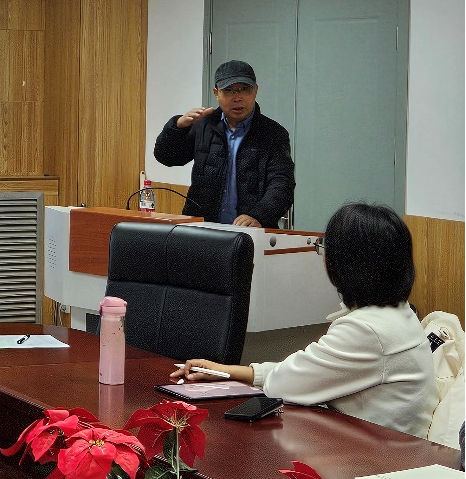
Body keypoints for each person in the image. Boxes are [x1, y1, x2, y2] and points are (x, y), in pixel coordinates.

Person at [171, 202, 437, 437]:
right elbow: (304, 371)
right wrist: (225, 371)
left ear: (348, 263)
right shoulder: (399, 314)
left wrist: (231, 373)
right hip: (387, 448)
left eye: (325, 248)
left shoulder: (368, 330)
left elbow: (283, 385)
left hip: (376, 460)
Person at [153, 59, 294, 227]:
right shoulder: (203, 125)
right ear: (216, 92)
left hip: (250, 232)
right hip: (203, 229)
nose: (237, 98)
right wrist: (177, 127)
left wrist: (259, 216)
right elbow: (167, 157)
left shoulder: (273, 133)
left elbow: (282, 184)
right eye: (228, 90)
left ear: (255, 90)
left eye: (244, 89)